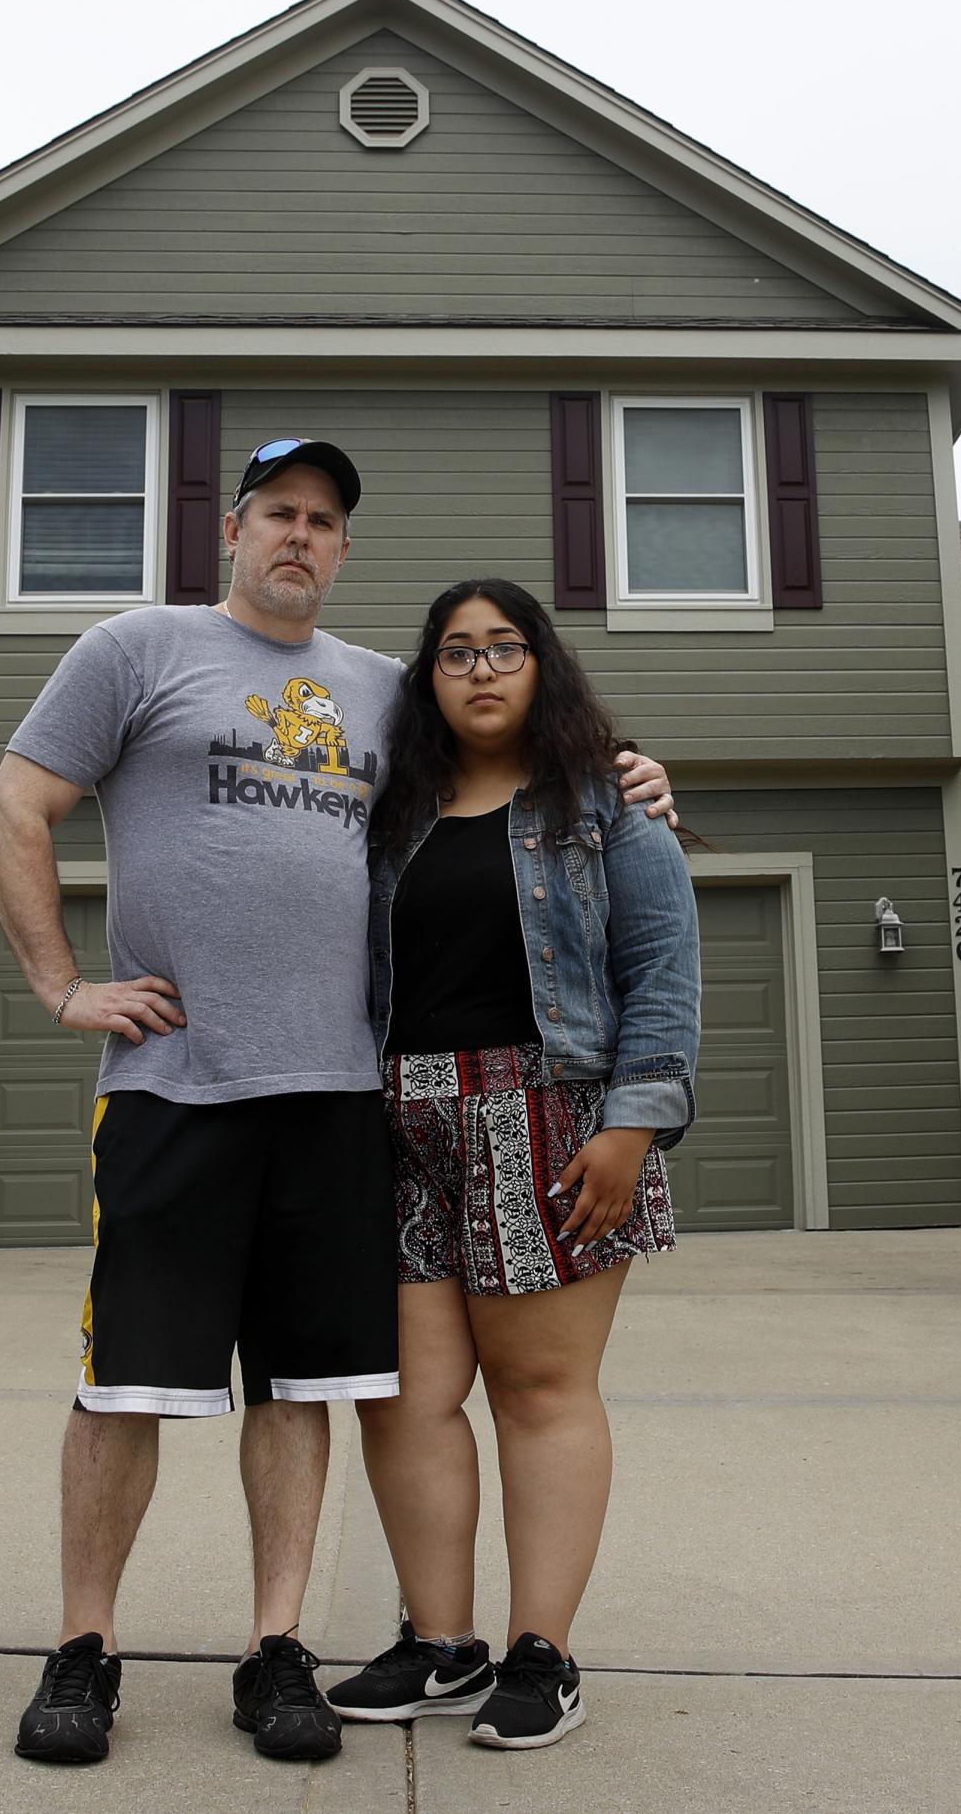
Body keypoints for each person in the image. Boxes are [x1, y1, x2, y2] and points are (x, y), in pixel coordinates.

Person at [0, 441, 674, 1767]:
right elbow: (18, 806)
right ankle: (85, 1646)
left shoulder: (383, 690)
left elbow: (510, 748)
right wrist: (66, 984)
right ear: (232, 529)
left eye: (325, 520)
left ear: (344, 550)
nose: (300, 535)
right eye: (279, 513)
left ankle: (277, 1644)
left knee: (302, 1383)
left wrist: (632, 778)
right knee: (124, 1383)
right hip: (176, 1083)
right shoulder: (136, 647)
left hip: (345, 1098)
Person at [328, 577, 700, 1751]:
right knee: (401, 1397)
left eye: (503, 647)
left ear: (542, 664)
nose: (481, 668)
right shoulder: (391, 815)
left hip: (549, 1123)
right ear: (425, 680)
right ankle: (443, 1644)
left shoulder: (605, 807)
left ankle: (543, 1654)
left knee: (539, 1394)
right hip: (400, 1125)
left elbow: (663, 973)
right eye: (453, 652)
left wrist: (632, 1127)